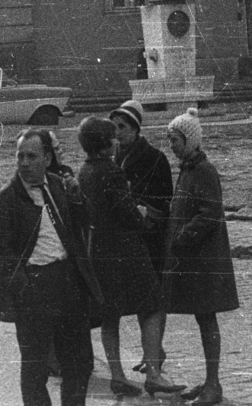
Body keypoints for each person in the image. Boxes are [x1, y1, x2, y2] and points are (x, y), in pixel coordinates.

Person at [0, 128, 101, 406]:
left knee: (78, 363)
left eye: (32, 156)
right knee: (35, 369)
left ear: (48, 158)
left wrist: (77, 198)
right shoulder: (4, 202)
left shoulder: (59, 185)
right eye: (20, 156)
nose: (24, 163)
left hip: (68, 284)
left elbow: (85, 224)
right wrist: (25, 288)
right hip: (34, 288)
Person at [77, 116, 182, 398]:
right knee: (152, 305)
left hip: (99, 252)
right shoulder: (111, 171)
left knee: (110, 315)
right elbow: (127, 213)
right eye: (112, 137)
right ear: (105, 143)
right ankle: (154, 374)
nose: (115, 141)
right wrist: (142, 215)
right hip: (126, 251)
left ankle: (117, 375)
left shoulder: (84, 171)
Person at [162, 109, 237, 406]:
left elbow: (210, 213)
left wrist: (181, 237)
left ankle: (213, 384)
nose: (171, 144)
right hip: (194, 259)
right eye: (169, 139)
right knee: (203, 318)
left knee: (207, 319)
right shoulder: (188, 168)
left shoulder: (203, 171)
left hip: (204, 260)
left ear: (190, 140)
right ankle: (209, 380)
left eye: (176, 139)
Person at [111, 99, 175, 379]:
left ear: (136, 129)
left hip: (151, 236)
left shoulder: (155, 158)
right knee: (141, 299)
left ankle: (155, 353)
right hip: (129, 237)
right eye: (113, 128)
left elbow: (165, 200)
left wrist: (143, 207)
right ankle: (152, 353)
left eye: (122, 127)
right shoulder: (115, 157)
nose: (117, 133)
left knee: (152, 298)